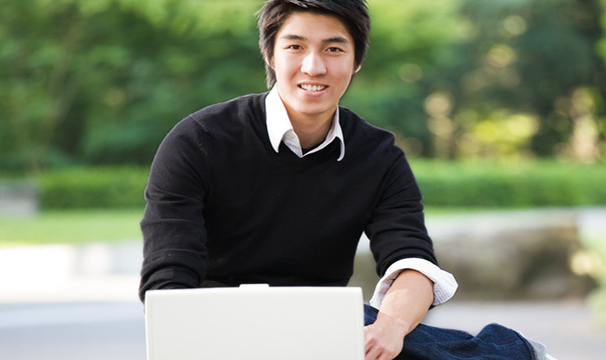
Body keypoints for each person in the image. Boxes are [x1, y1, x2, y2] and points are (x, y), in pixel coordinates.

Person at [139, 1, 555, 359]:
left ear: (356, 61)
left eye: (333, 48)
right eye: (295, 46)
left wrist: (390, 328)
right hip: (220, 325)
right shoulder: (198, 142)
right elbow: (168, 284)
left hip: (326, 327)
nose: (313, 66)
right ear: (270, 54)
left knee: (381, 329)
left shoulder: (378, 157)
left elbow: (412, 263)